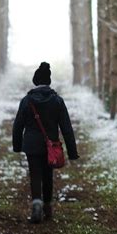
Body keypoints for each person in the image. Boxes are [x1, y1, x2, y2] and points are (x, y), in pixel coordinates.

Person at [12, 61, 79, 223]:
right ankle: (48, 208)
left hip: (31, 145)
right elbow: (66, 127)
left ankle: (36, 205)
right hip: (51, 146)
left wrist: (17, 145)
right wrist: (72, 151)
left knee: (35, 174)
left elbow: (17, 125)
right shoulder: (57, 101)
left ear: (35, 81)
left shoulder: (27, 101)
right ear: (48, 81)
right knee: (48, 175)